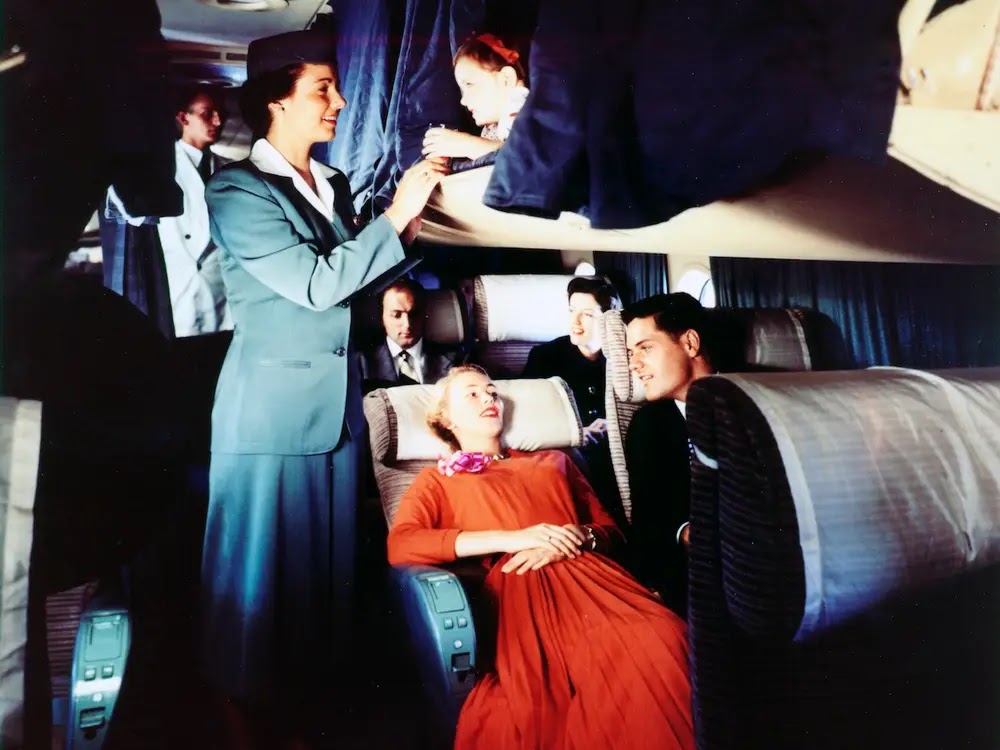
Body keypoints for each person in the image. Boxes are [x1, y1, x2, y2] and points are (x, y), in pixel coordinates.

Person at [199, 29, 447, 748]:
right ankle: (239, 724)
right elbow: (314, 284)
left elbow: (357, 282)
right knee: (253, 588)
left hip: (334, 413)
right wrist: (393, 217)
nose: (339, 101)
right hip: (269, 417)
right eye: (323, 89)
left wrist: (410, 227)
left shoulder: (330, 184)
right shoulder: (237, 190)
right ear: (277, 101)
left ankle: (303, 720)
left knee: (317, 588)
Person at [387, 366, 694, 750]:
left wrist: (582, 536)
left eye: (492, 392)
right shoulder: (437, 480)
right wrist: (516, 539)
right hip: (522, 585)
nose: (489, 399)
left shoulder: (554, 461)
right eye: (472, 394)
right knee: (552, 688)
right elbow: (402, 543)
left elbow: (612, 532)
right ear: (447, 419)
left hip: (592, 574)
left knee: (664, 636)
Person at [103, 84, 234, 337]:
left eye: (221, 114)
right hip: (177, 287)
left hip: (219, 293)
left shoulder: (228, 169)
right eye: (207, 113)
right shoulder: (159, 169)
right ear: (183, 118)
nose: (218, 121)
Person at [623, 293, 716, 618]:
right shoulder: (648, 427)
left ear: (690, 343)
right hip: (699, 573)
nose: (633, 364)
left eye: (645, 348)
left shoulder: (756, 403)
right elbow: (650, 525)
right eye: (631, 353)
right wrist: (687, 532)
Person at [522, 275, 622, 514]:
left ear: (609, 319)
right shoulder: (545, 357)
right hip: (566, 453)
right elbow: (528, 419)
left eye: (587, 314)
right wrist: (575, 435)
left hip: (616, 451)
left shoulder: (623, 358)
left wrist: (614, 425)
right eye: (571, 311)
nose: (575, 322)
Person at [421, 33, 530, 162]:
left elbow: (526, 157)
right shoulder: (494, 127)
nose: (463, 101)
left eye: (469, 84)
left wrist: (467, 145)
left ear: (506, 79)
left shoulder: (529, 115)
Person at [358, 278, 459, 391]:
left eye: (414, 314)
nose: (407, 324)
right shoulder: (360, 363)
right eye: (396, 315)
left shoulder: (455, 360)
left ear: (424, 314)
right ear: (382, 318)